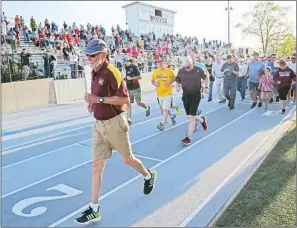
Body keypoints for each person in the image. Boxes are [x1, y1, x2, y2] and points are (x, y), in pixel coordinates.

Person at [77, 39, 157, 224]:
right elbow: (96, 97)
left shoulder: (112, 72)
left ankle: (148, 175)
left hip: (115, 124)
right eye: (87, 55)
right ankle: (94, 208)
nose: (88, 58)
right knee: (97, 166)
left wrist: (98, 100)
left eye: (92, 55)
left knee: (127, 159)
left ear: (103, 55)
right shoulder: (94, 72)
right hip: (98, 125)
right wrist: (92, 104)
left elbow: (124, 100)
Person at [175, 56, 209, 146]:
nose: (187, 69)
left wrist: (206, 87)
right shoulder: (181, 71)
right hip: (185, 95)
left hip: (196, 96)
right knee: (189, 117)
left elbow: (206, 78)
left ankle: (188, 138)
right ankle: (202, 120)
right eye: (185, 67)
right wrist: (177, 86)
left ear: (192, 64)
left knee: (192, 118)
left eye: (188, 67)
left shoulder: (199, 70)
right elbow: (177, 81)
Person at [151, 57, 177, 131]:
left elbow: (174, 78)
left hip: (168, 93)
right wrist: (155, 84)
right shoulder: (155, 72)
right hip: (159, 94)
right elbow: (152, 81)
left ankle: (162, 124)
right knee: (164, 109)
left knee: (165, 109)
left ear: (164, 63)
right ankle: (172, 116)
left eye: (161, 63)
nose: (159, 64)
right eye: (158, 63)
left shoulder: (169, 71)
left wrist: (170, 82)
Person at [124, 58, 150, 125]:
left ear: (129, 62)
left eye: (125, 62)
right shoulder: (126, 68)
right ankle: (129, 119)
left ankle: (147, 108)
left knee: (138, 103)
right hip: (129, 89)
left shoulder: (134, 67)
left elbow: (140, 77)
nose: (124, 64)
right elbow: (126, 77)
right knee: (128, 104)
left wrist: (131, 78)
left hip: (135, 88)